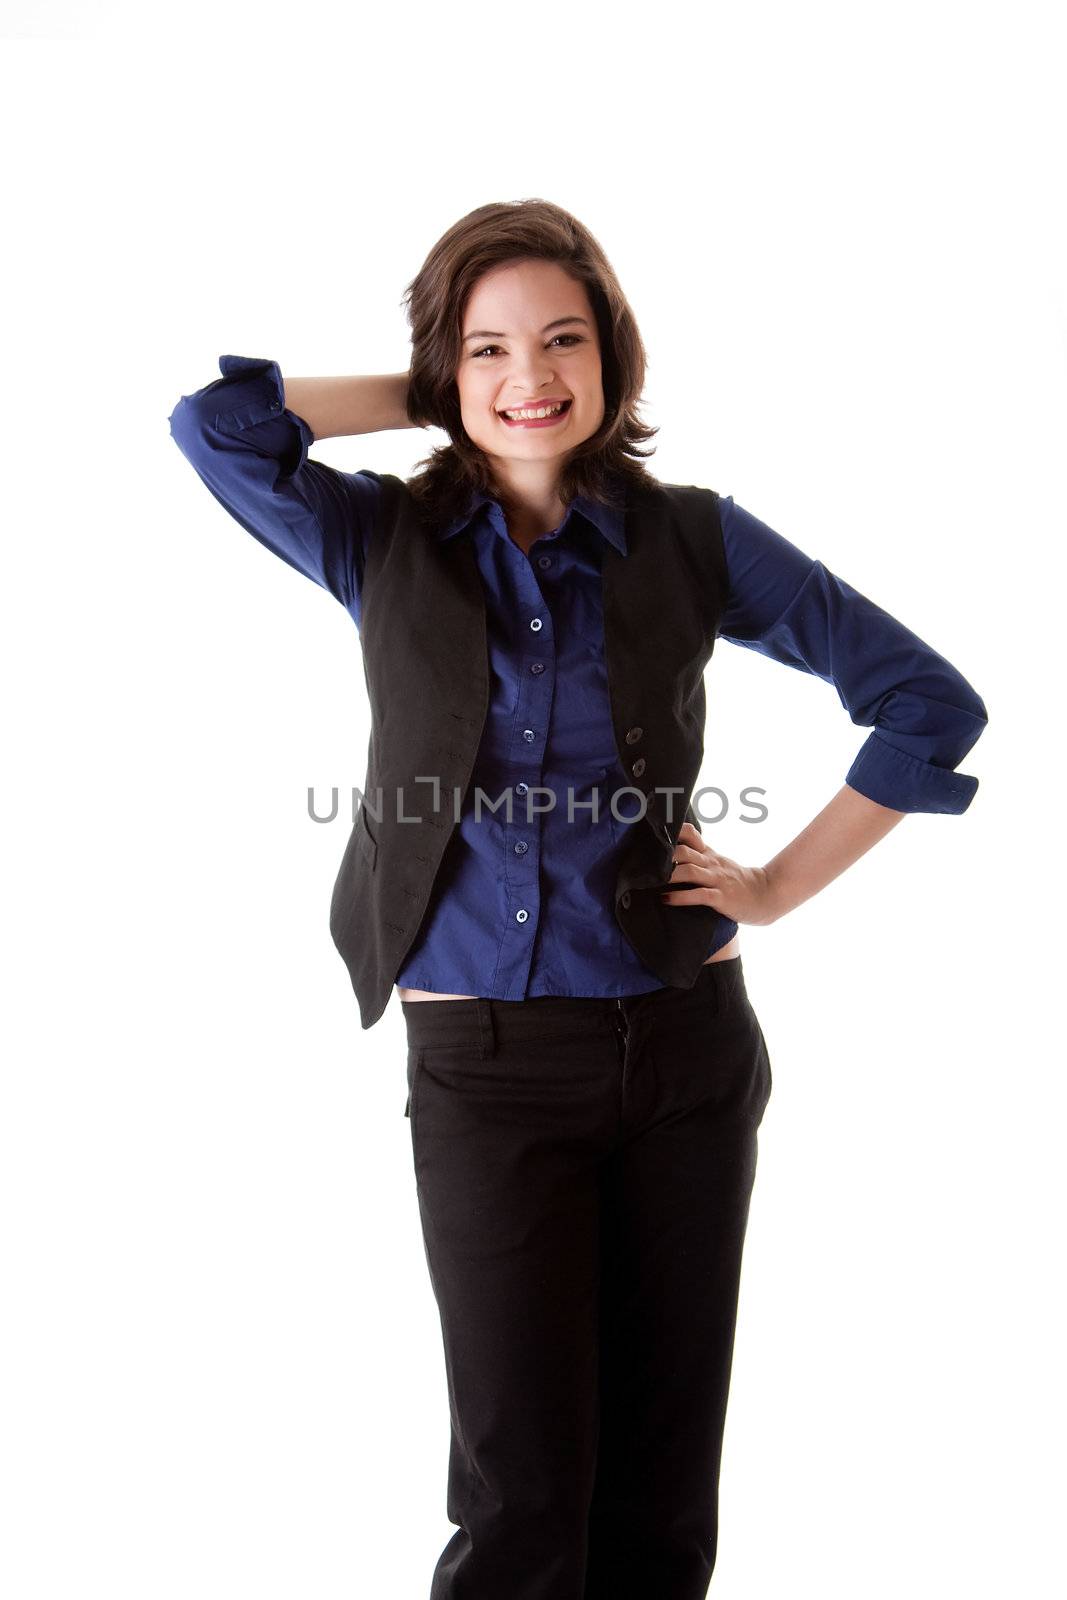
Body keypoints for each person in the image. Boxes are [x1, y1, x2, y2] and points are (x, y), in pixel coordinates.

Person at [168, 199, 987, 1599]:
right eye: (485, 349)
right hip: (486, 1067)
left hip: (683, 1050)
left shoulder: (695, 541)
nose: (528, 375)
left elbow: (929, 707)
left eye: (562, 338)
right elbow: (217, 424)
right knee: (522, 1504)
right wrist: (432, 391)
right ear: (444, 370)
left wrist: (777, 888)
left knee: (661, 1508)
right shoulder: (376, 541)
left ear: (613, 355)